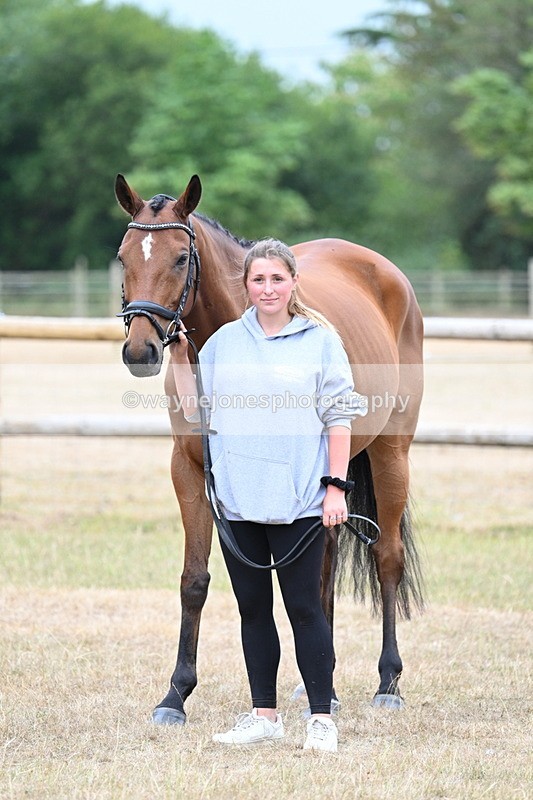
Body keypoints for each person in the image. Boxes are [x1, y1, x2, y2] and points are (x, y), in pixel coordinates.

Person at [169, 239, 367, 752]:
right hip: (239, 501)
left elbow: (338, 417)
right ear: (246, 286)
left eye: (277, 279)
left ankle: (321, 717)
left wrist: (336, 488)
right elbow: (195, 411)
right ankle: (265, 715)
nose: (268, 289)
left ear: (293, 282)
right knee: (253, 612)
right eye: (258, 280)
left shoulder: (320, 341)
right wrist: (177, 353)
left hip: (301, 499)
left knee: (305, 610)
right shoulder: (224, 344)